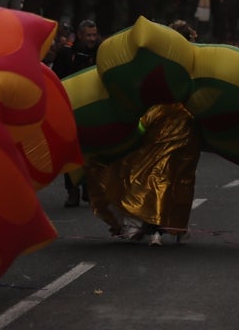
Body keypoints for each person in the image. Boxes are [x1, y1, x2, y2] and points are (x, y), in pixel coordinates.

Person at [84, 19, 203, 246]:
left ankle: (149, 225)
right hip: (184, 124)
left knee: (149, 172)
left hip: (160, 119)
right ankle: (160, 225)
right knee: (173, 176)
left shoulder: (165, 57)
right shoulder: (194, 60)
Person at [53, 19, 101, 207]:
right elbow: (56, 79)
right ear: (80, 35)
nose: (91, 39)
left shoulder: (100, 52)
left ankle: (89, 189)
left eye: (94, 35)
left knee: (91, 151)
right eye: (88, 35)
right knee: (71, 153)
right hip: (70, 110)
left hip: (93, 110)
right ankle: (72, 190)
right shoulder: (66, 53)